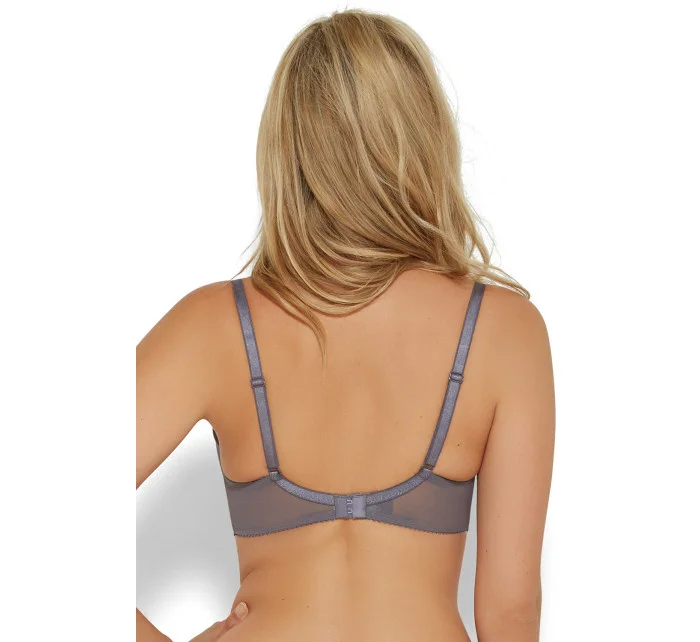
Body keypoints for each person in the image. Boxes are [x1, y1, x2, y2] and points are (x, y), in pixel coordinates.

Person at [136, 8, 555, 642]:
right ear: (424, 139)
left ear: (288, 150)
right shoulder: (504, 331)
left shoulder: (213, 327)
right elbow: (509, 612)